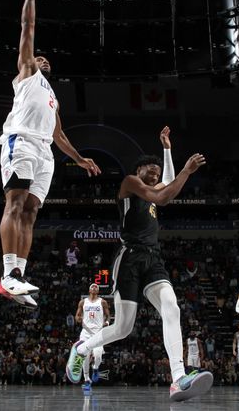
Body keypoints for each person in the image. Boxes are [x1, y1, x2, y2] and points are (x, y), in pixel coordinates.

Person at [66, 126, 212, 402]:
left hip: (153, 257)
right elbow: (163, 195)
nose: (156, 172)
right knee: (123, 328)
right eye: (151, 169)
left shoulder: (154, 184)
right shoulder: (130, 182)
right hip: (129, 257)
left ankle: (178, 378)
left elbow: (167, 185)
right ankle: (83, 349)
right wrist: (186, 172)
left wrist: (167, 149)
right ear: (140, 169)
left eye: (158, 170)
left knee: (172, 308)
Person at [0, 0, 101, 309]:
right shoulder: (27, 73)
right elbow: (28, 26)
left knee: (30, 213)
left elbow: (58, 134)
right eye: (38, 56)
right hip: (21, 141)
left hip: (45, 152)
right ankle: (7, 273)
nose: (42, 58)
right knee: (14, 204)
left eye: (45, 58)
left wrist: (78, 158)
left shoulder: (53, 96)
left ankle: (19, 276)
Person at [75, 283, 111, 393]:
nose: (94, 287)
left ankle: (95, 368)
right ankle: (86, 380)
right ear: (89, 289)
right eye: (92, 286)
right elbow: (77, 315)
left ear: (98, 291)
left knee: (98, 356)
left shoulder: (103, 302)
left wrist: (107, 322)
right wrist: (78, 319)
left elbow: (108, 315)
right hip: (86, 333)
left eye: (96, 287)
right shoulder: (83, 302)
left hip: (98, 333)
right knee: (85, 357)